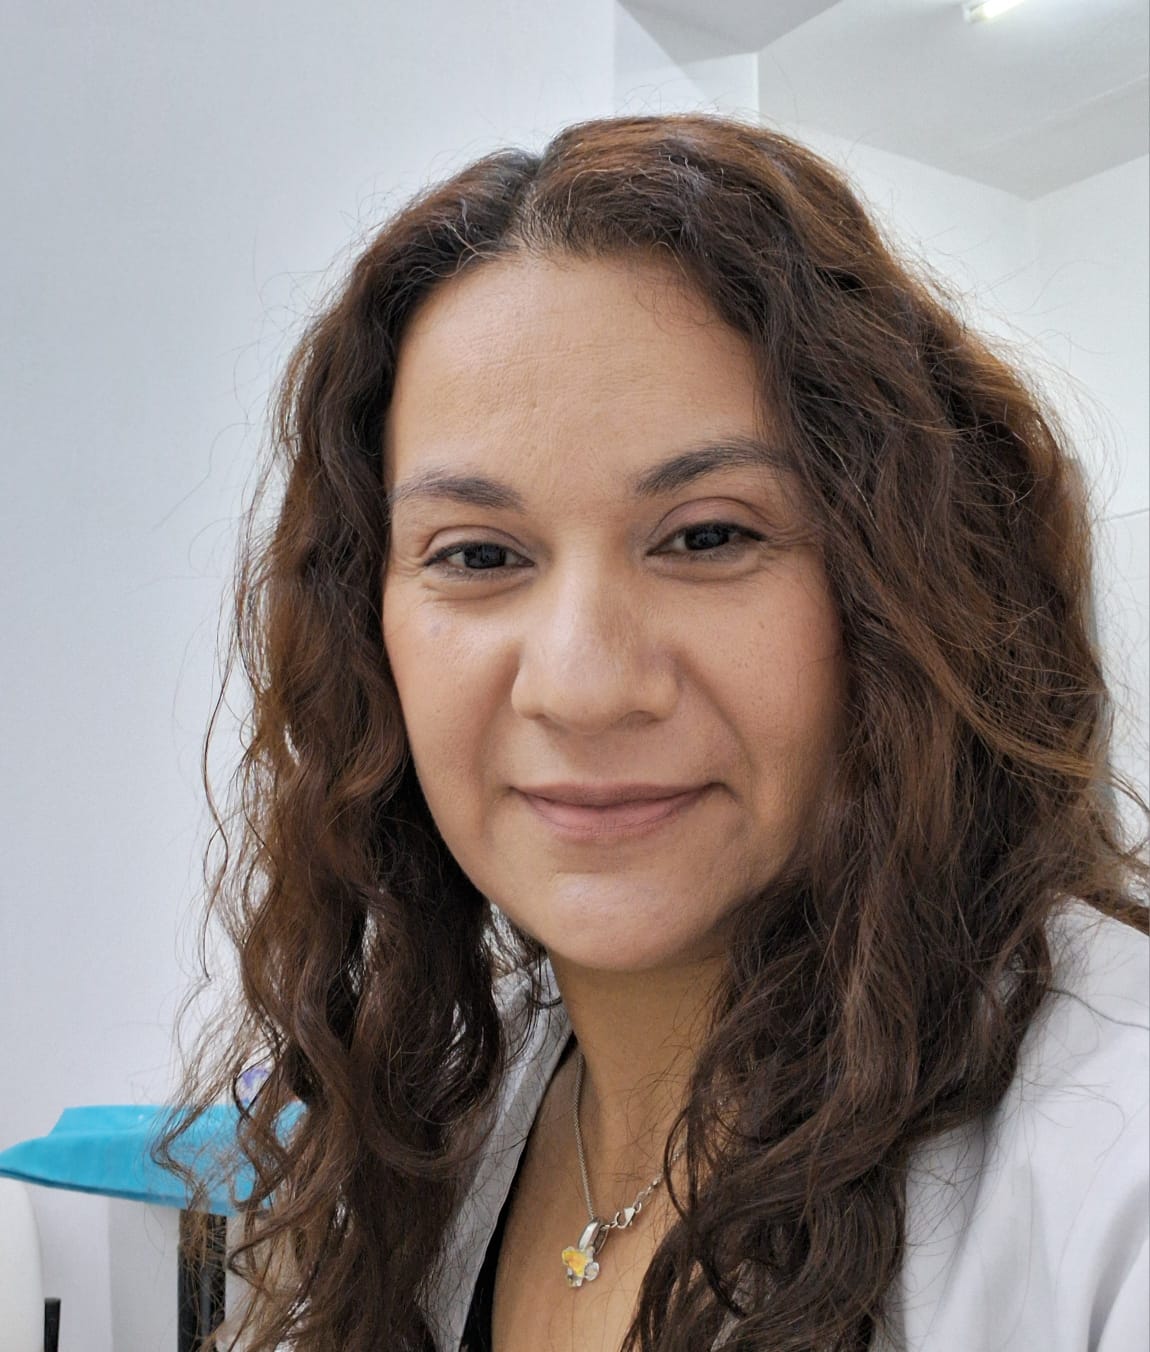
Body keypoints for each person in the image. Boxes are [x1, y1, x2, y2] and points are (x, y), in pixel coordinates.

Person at [156, 113, 1149, 1352]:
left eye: (708, 535)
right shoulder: (445, 1117)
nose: (582, 686)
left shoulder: (1112, 1143)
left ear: (903, 586)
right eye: (478, 554)